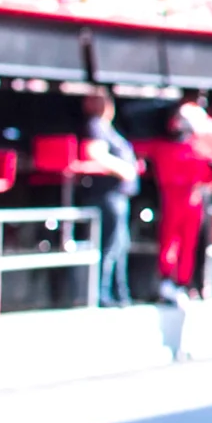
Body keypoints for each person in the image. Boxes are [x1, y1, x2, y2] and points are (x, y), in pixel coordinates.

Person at [72, 92, 139, 307]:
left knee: (120, 245)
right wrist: (124, 170)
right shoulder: (95, 125)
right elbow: (95, 153)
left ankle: (120, 293)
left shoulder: (107, 127)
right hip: (107, 195)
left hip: (119, 196)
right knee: (110, 245)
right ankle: (103, 294)